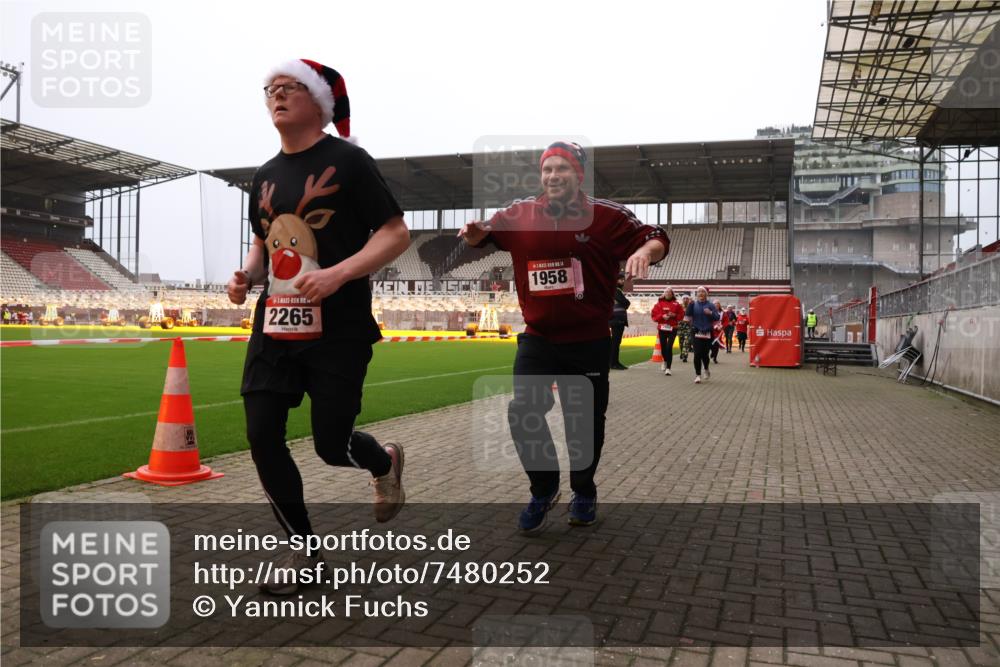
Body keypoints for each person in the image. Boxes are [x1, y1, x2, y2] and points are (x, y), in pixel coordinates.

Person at [226, 59, 411, 594]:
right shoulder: (263, 175)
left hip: (340, 328)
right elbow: (266, 241)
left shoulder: (350, 161)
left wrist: (337, 275)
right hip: (275, 327)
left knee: (331, 445)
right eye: (271, 90)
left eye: (289, 89)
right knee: (262, 436)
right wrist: (246, 274)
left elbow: (395, 234)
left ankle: (384, 460)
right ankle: (306, 557)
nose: (277, 97)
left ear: (319, 102)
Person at [459, 140, 668, 533]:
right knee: (523, 411)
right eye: (548, 169)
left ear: (579, 175)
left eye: (563, 169)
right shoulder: (521, 214)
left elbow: (656, 235)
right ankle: (544, 488)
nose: (554, 175)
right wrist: (473, 233)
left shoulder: (605, 217)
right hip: (537, 337)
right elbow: (482, 235)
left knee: (583, 423)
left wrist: (645, 252)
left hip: (588, 340)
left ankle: (584, 490)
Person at [684, 286, 720, 383]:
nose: (700, 293)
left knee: (705, 354)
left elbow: (717, 317)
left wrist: (711, 312)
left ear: (706, 294)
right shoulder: (693, 304)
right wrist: (689, 306)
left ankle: (706, 369)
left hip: (707, 332)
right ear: (697, 294)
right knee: (697, 354)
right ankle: (697, 375)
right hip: (696, 331)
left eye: (702, 292)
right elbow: (687, 317)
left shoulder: (711, 305)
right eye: (699, 292)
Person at [650, 287, 684, 376]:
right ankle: (665, 361)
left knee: (669, 347)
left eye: (670, 292)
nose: (668, 294)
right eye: (666, 292)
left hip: (673, 328)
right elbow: (654, 316)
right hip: (662, 329)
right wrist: (662, 316)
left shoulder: (677, 304)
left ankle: (668, 368)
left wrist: (674, 315)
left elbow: (681, 316)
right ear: (664, 294)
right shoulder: (658, 304)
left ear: (672, 294)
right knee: (663, 348)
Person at [608, 272, 630, 370]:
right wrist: (626, 302)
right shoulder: (616, 290)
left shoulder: (617, 290)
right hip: (617, 320)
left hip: (616, 319)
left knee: (616, 342)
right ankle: (614, 363)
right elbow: (625, 302)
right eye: (621, 279)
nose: (622, 281)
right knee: (615, 342)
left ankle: (614, 362)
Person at [676, 294, 692, 363]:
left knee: (687, 341)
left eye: (687, 299)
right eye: (684, 298)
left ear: (688, 300)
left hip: (688, 326)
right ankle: (682, 352)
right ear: (682, 300)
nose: (685, 300)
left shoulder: (691, 307)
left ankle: (685, 356)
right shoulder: (679, 306)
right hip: (680, 326)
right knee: (681, 342)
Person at [710, 299, 726, 364]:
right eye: (715, 304)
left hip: (719, 330)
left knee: (716, 344)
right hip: (711, 329)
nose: (716, 305)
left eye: (717, 303)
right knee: (711, 343)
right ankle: (712, 352)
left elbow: (726, 321)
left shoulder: (723, 312)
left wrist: (722, 326)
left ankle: (715, 358)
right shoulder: (710, 311)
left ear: (719, 305)